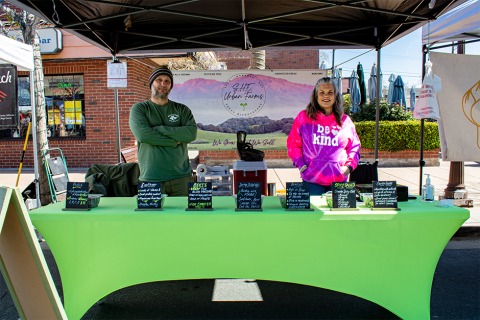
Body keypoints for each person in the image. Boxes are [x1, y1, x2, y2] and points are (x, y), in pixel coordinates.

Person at [129, 65, 197, 196]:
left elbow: (191, 133)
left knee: (184, 216)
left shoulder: (182, 110)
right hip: (151, 177)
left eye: (167, 81)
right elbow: (143, 136)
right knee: (151, 217)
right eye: (158, 80)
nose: (163, 84)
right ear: (151, 83)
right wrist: (173, 142)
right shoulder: (140, 109)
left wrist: (159, 128)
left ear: (171, 86)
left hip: (181, 177)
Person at [287, 77, 361, 195]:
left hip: (339, 181)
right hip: (312, 181)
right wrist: (301, 166)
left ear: (336, 96)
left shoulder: (346, 121)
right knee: (314, 213)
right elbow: (293, 144)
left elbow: (354, 148)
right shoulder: (303, 118)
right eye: (322, 92)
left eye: (330, 93)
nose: (326, 96)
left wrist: (348, 168)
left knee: (338, 214)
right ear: (316, 96)